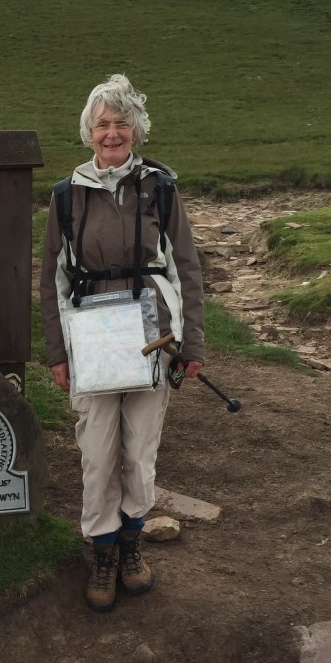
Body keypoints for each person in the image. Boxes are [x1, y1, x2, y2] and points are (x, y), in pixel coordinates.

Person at [40, 74, 204, 613]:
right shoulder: (66, 197)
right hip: (91, 342)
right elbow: (52, 280)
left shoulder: (160, 188)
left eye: (122, 122)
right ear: (89, 131)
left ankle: (132, 544)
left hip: (150, 338)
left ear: (136, 130)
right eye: (103, 123)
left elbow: (186, 268)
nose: (112, 132)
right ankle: (103, 553)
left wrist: (192, 343)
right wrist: (58, 353)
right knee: (97, 451)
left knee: (139, 452)